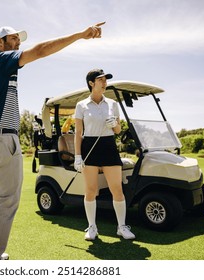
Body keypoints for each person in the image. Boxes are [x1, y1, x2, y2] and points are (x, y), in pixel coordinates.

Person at [0, 23, 106, 260]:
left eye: (18, 40)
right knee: (7, 202)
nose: (18, 44)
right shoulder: (0, 61)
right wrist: (80, 35)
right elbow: (41, 51)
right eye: (13, 39)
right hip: (3, 139)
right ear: (0, 44)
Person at [74, 69, 135, 241]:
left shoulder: (112, 104)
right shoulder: (81, 105)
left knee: (116, 188)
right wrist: (78, 156)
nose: (104, 82)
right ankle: (92, 227)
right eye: (101, 79)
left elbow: (118, 130)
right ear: (91, 83)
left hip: (108, 145)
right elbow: (78, 133)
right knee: (91, 190)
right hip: (89, 147)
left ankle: (121, 227)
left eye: (105, 80)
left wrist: (114, 124)